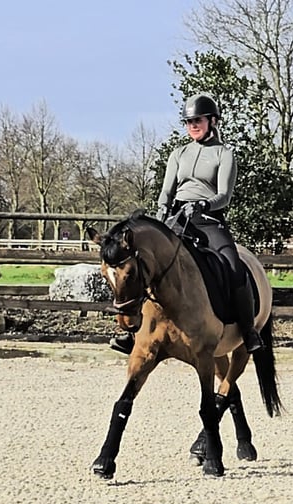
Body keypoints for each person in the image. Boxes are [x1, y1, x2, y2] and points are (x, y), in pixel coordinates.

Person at [109, 93, 264, 355]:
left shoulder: (223, 154)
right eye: (189, 121)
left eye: (198, 120)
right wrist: (161, 215)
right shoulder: (178, 154)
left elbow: (224, 195)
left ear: (212, 121)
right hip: (176, 218)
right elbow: (166, 191)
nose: (193, 125)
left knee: (233, 267)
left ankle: (248, 330)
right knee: (141, 264)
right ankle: (133, 332)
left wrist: (204, 204)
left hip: (208, 219)